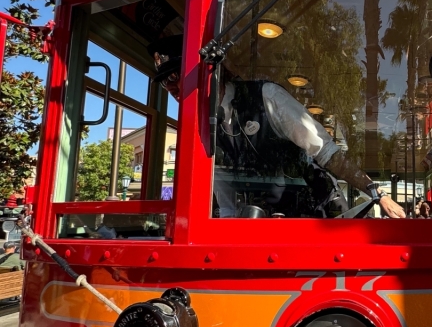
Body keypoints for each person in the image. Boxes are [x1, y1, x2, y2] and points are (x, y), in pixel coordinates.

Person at [149, 36, 406, 220]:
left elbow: (326, 152)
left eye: (175, 76)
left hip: (321, 211)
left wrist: (377, 193)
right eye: (164, 83)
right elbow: (223, 192)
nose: (171, 88)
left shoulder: (267, 97)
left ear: (208, 72)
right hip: (269, 220)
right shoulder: (205, 125)